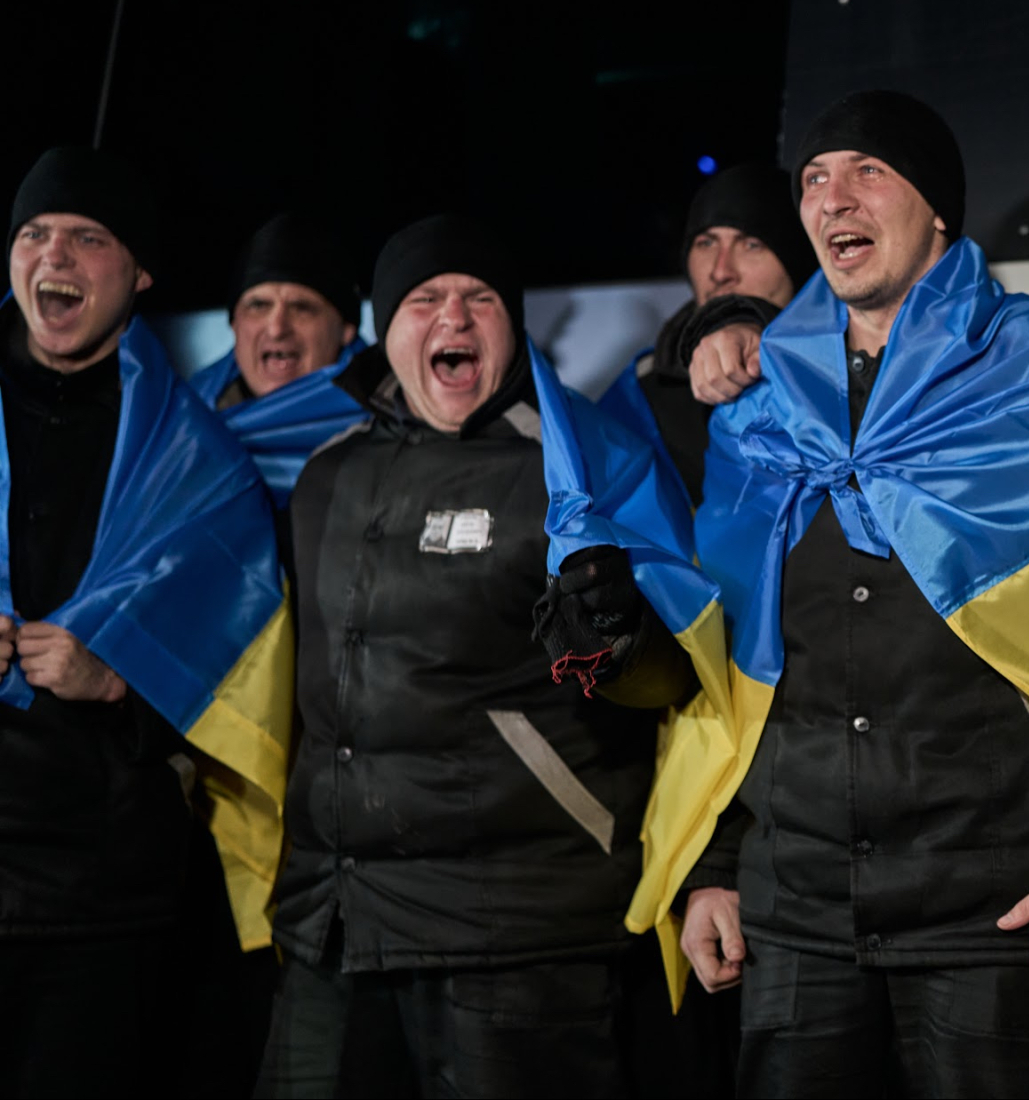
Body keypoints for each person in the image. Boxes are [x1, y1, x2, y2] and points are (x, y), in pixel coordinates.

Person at [633, 91, 1029, 1098]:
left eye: (867, 170)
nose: (834, 195)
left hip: (1001, 914)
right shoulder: (762, 408)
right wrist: (716, 861)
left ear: (940, 212)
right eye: (815, 179)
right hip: (797, 917)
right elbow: (737, 660)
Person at [257, 214, 717, 1098]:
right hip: (334, 921)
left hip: (516, 934)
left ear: (513, 323)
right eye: (425, 300)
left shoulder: (578, 464)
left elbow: (681, 678)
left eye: (479, 298)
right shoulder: (326, 473)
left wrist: (620, 638)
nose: (454, 319)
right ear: (387, 329)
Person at [0, 147, 291, 1097]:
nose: (57, 257)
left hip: (102, 897)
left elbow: (247, 680)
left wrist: (122, 679)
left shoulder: (202, 463)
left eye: (89, 238)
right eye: (36, 234)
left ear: (140, 273)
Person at [600, 163, 816, 502]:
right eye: (706, 243)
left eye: (751, 244)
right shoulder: (642, 390)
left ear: (797, 258)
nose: (721, 271)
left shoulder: (840, 375)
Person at [187, 212, 367, 508]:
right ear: (234, 324)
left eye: (302, 308)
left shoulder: (393, 427)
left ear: (346, 329)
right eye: (258, 306)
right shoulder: (180, 422)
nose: (277, 328)